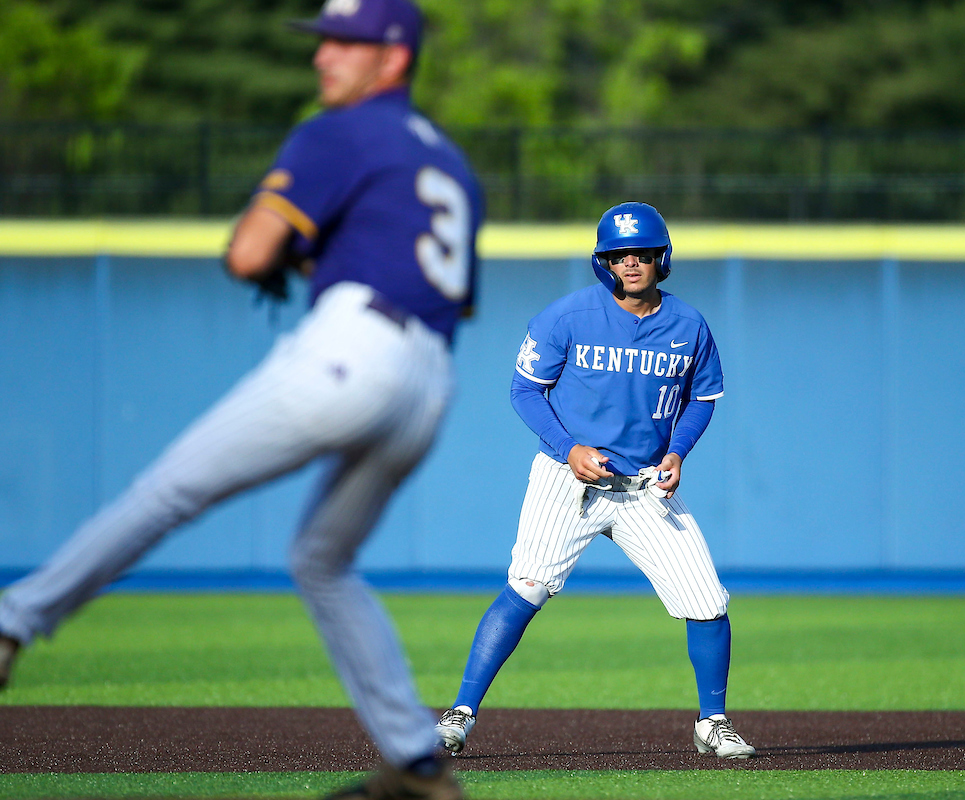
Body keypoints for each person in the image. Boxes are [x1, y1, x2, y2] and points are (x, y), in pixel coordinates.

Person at [0, 1, 482, 798]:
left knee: (168, 489)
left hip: (352, 350)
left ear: (393, 58)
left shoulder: (337, 131)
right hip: (428, 384)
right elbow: (435, 286)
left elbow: (250, 252)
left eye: (346, 43)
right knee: (322, 561)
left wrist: (274, 249)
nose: (324, 56)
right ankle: (417, 764)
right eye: (324, 42)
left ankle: (12, 622)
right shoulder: (451, 161)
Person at [433, 202, 755, 760]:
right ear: (603, 261)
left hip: (645, 485)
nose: (630, 263)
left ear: (661, 257)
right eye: (619, 254)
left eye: (641, 253)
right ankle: (460, 713)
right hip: (568, 477)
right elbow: (525, 390)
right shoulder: (568, 316)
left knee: (707, 601)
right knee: (527, 586)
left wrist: (678, 452)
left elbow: (702, 399)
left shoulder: (688, 326)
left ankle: (713, 721)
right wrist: (569, 448)